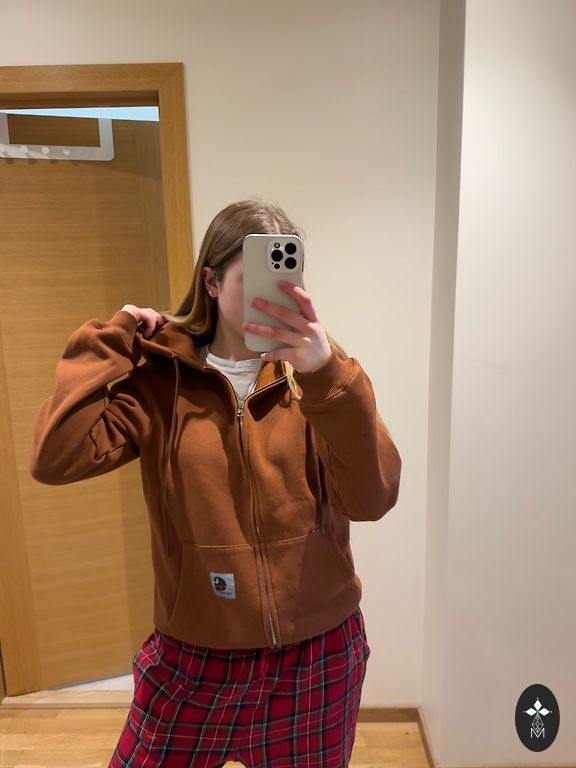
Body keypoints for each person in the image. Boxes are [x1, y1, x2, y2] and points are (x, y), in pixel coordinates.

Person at [29, 199, 402, 768]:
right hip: (195, 660)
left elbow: (373, 499)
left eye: (287, 277)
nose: (276, 294)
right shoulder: (161, 383)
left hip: (316, 660)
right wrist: (111, 338)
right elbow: (55, 457)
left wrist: (324, 373)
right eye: (255, 279)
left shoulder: (320, 380)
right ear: (211, 282)